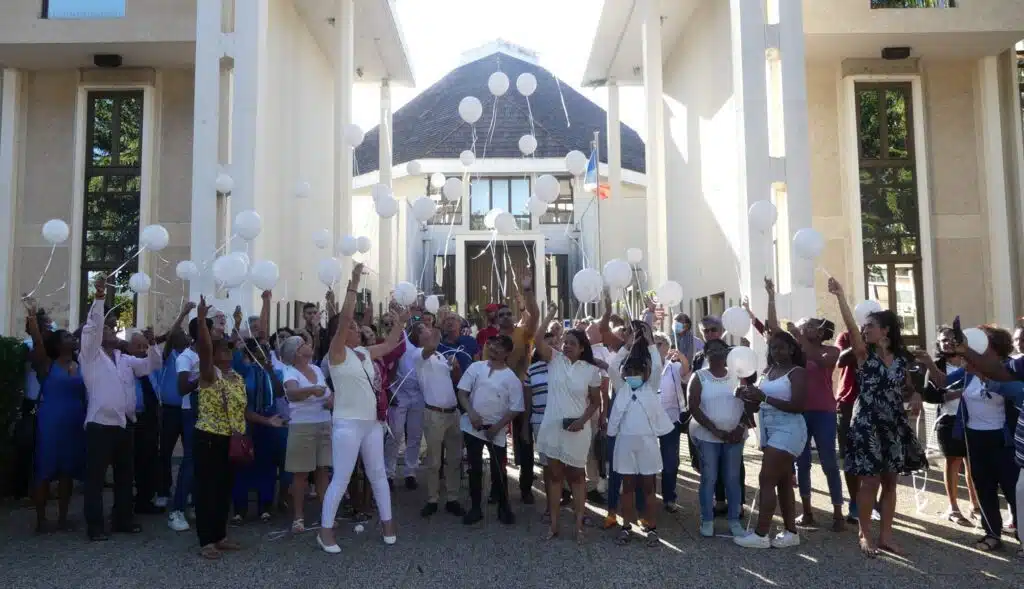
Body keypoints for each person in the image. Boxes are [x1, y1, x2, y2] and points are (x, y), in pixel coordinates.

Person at [828, 277, 926, 557]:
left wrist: (916, 395)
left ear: (885, 330)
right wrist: (840, 295)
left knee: (891, 482)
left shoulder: (901, 358)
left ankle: (885, 536)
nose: (864, 329)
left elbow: (907, 388)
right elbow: (849, 326)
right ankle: (864, 534)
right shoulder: (862, 353)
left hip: (893, 422)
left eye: (870, 325)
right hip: (867, 422)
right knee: (869, 480)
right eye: (864, 326)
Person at [318, 263, 407, 553]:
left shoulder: (364, 353)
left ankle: (388, 523)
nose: (356, 328)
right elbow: (344, 317)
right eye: (352, 327)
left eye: (357, 327)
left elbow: (393, 342)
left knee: (378, 474)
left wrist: (401, 321)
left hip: (371, 423)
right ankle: (325, 531)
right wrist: (354, 283)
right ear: (340, 334)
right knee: (342, 477)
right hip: (347, 423)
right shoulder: (338, 353)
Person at [917, 326, 1020, 552]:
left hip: (1003, 441)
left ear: (993, 348)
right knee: (983, 487)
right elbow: (942, 382)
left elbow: (1013, 392)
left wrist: (986, 375)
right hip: (974, 437)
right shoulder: (968, 370)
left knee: (1013, 490)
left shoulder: (1008, 368)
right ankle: (992, 533)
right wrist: (928, 362)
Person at [79, 275, 162, 541]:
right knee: (95, 479)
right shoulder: (90, 356)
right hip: (100, 425)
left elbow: (151, 365)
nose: (113, 331)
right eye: (109, 327)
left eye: (114, 328)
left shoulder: (124, 359)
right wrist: (100, 298)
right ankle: (95, 526)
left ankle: (122, 519)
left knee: (125, 476)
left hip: (124, 425)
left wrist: (152, 345)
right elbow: (92, 327)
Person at [533, 304, 603, 543]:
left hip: (578, 429)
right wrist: (549, 317)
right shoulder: (555, 360)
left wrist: (582, 422)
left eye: (573, 343)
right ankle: (553, 525)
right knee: (553, 477)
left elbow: (595, 402)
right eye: (565, 341)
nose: (567, 346)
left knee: (577, 477)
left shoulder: (591, 371)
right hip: (553, 426)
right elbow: (536, 339)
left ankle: (579, 525)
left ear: (582, 347)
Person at [734, 327, 808, 549]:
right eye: (773, 348)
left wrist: (764, 396)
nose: (776, 352)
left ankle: (761, 534)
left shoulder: (797, 372)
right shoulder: (769, 370)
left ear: (792, 349)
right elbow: (759, 403)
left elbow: (798, 406)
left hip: (789, 430)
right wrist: (746, 395)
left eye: (781, 347)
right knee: (784, 482)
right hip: (769, 429)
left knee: (766, 479)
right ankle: (790, 533)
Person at [606, 318, 673, 547]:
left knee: (648, 486)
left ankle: (651, 527)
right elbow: (612, 367)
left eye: (638, 370)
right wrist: (628, 343)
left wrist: (651, 341)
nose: (633, 374)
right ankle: (626, 526)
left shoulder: (650, 387)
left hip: (647, 443)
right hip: (625, 443)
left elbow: (656, 365)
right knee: (627, 486)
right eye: (630, 370)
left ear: (645, 373)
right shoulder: (621, 386)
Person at [190, 296, 248, 559]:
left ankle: (220, 535)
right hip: (209, 437)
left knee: (224, 489)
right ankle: (206, 541)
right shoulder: (209, 373)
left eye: (229, 349)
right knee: (208, 490)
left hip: (230, 438)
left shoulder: (236, 378)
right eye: (222, 349)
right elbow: (203, 348)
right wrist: (202, 321)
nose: (227, 351)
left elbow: (241, 409)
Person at [23, 298, 85, 533]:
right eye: (67, 336)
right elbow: (39, 343)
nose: (72, 338)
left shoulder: (79, 364)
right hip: (51, 420)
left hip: (73, 420)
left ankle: (63, 517)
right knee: (46, 468)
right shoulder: (47, 365)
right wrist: (32, 318)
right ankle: (41, 520)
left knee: (67, 470)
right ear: (59, 344)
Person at [482, 278, 540, 504]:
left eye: (509, 313)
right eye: (501, 314)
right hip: (498, 396)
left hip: (522, 392)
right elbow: (487, 369)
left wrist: (528, 291)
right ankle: (498, 488)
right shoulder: (491, 342)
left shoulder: (523, 333)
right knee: (497, 443)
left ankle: (526, 489)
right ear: (496, 320)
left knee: (524, 442)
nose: (506, 317)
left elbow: (534, 315)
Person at [457, 334, 525, 525]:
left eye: (499, 348)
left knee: (499, 470)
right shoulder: (476, 367)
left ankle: (504, 507)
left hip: (496, 430)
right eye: (492, 345)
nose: (493, 350)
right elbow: (462, 393)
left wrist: (497, 427)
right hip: (472, 427)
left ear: (507, 353)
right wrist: (471, 413)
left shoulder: (511, 378)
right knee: (474, 469)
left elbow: (516, 408)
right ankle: (475, 508)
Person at [916, 327, 980, 526]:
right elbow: (930, 395)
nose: (948, 343)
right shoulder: (937, 365)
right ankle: (953, 507)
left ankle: (975, 505)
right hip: (949, 419)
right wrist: (957, 393)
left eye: (953, 339)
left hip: (974, 419)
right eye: (944, 340)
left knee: (973, 465)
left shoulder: (972, 363)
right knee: (952, 462)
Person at [688, 339, 746, 538]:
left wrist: (741, 427)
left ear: (727, 352)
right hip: (707, 436)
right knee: (709, 478)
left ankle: (734, 520)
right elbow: (693, 406)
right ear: (705, 354)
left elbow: (749, 403)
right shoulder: (699, 377)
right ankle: (707, 519)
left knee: (732, 478)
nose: (717, 353)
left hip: (735, 436)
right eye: (711, 350)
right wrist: (714, 430)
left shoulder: (738, 375)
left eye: (721, 349)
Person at [280, 333, 333, 533]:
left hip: (323, 422)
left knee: (323, 470)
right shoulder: (290, 372)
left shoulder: (317, 369)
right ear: (296, 353)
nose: (308, 345)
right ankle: (298, 517)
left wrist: (331, 399)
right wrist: (312, 391)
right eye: (303, 344)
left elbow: (328, 391)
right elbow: (292, 393)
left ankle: (326, 515)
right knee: (300, 474)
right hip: (302, 425)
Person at [415, 326, 465, 518]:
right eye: (423, 332)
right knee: (434, 461)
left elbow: (454, 380)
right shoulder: (419, 355)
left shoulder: (441, 356)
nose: (428, 333)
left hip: (452, 413)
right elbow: (429, 348)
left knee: (454, 458)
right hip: (434, 413)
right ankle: (432, 499)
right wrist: (435, 334)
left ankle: (452, 498)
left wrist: (456, 368)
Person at [155, 302, 195, 513]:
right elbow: (169, 337)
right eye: (178, 333)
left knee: (190, 453)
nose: (181, 335)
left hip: (188, 410)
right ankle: (163, 491)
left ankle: (186, 490)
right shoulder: (169, 355)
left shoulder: (191, 356)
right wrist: (183, 313)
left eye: (184, 333)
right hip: (170, 410)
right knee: (166, 453)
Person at [385, 322, 426, 490]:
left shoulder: (428, 348)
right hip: (399, 393)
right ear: (412, 333)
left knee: (415, 435)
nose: (424, 334)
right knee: (395, 433)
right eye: (420, 331)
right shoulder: (404, 343)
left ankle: (410, 472)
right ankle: (388, 473)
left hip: (419, 395)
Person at [656, 331, 689, 513]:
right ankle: (647, 497)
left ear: (668, 347)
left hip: (671, 419)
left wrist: (682, 358)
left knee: (670, 461)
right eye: (655, 343)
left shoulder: (673, 367)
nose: (658, 346)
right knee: (648, 462)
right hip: (649, 420)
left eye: (661, 343)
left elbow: (686, 372)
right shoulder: (648, 365)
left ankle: (669, 498)